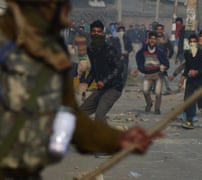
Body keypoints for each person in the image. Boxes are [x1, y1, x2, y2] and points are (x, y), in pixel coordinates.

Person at [0, 1, 161, 179]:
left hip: (112, 88)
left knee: (97, 113)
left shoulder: (105, 50)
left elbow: (116, 70)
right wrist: (89, 81)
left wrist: (115, 139)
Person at [79, 20, 123, 123]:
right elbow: (94, 69)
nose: (96, 34)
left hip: (114, 87)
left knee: (99, 115)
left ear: (102, 33)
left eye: (98, 32)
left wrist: (104, 81)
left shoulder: (109, 49)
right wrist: (87, 83)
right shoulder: (91, 50)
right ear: (90, 33)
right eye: (93, 31)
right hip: (101, 88)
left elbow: (119, 68)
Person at [178, 34, 202, 129]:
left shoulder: (201, 54)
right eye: (191, 42)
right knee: (188, 100)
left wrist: (197, 71)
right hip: (192, 80)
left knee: (200, 102)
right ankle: (189, 120)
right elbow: (188, 66)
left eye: (194, 42)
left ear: (197, 43)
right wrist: (183, 77)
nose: (192, 44)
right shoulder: (187, 54)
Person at [136, 31, 169, 115]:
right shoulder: (143, 51)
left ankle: (157, 109)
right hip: (147, 74)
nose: (152, 40)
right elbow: (138, 59)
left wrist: (164, 67)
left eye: (154, 39)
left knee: (158, 92)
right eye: (151, 38)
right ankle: (149, 103)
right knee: (145, 91)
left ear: (156, 40)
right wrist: (142, 69)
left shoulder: (160, 51)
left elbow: (166, 63)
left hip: (158, 74)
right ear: (148, 39)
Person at [155, 24, 174, 95]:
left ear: (162, 30)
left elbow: (171, 48)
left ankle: (168, 88)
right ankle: (153, 88)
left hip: (163, 59)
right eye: (158, 29)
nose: (159, 31)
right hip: (154, 59)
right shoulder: (153, 38)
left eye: (161, 29)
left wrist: (169, 56)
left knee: (164, 73)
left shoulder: (166, 39)